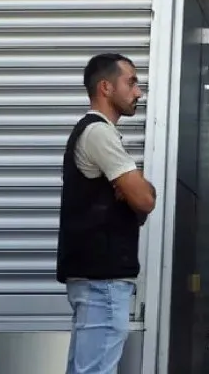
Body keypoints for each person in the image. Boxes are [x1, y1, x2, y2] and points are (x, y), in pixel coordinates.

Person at [56, 53, 156, 374]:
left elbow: (142, 196)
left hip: (95, 278)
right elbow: (144, 200)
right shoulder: (99, 133)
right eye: (131, 82)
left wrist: (136, 190)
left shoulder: (98, 133)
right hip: (103, 281)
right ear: (105, 87)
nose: (138, 92)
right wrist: (136, 192)